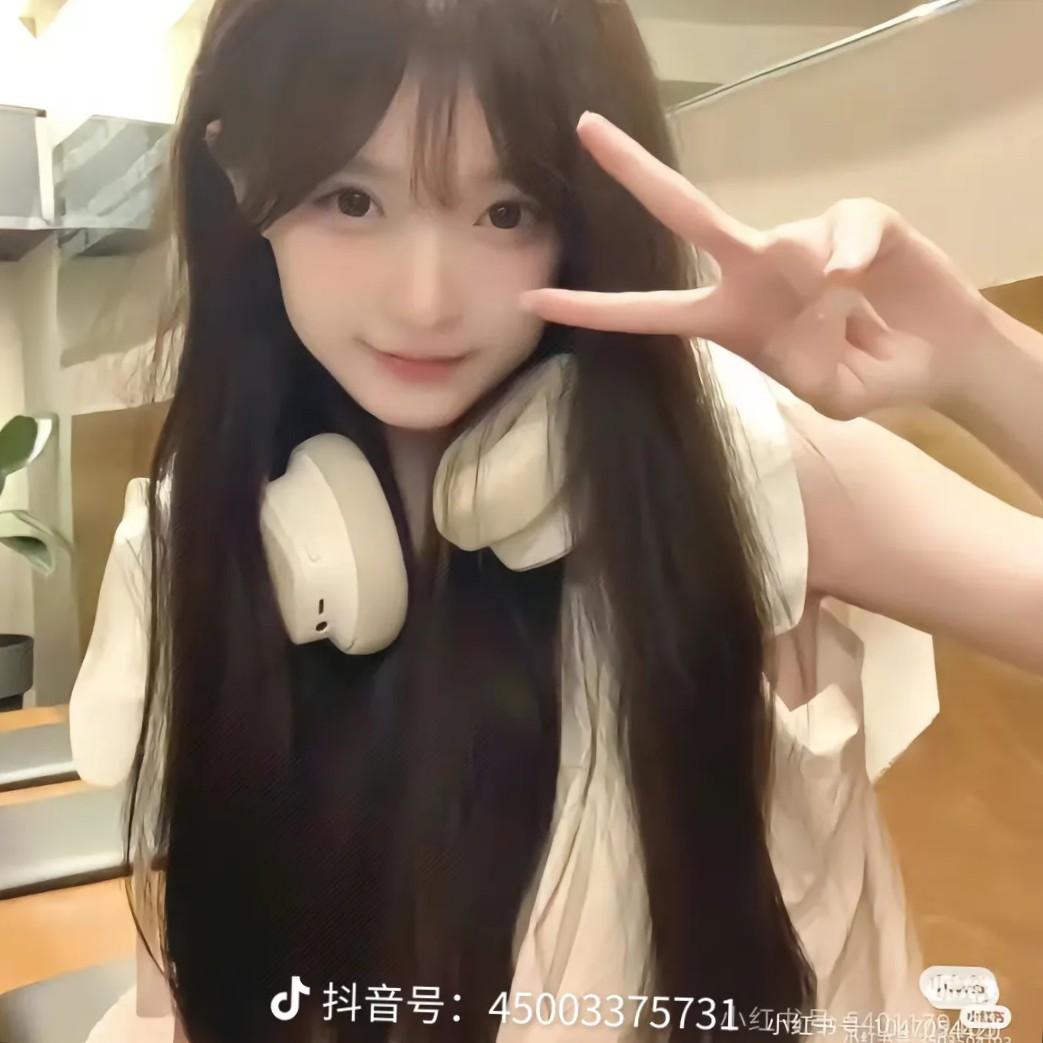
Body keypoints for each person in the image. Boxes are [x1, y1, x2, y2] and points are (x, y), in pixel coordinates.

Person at [68, 0, 1043, 1040]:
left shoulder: (723, 462)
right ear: (237, 174)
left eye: (505, 212)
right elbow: (186, 985)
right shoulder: (193, 541)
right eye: (351, 199)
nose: (425, 300)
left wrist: (972, 354)